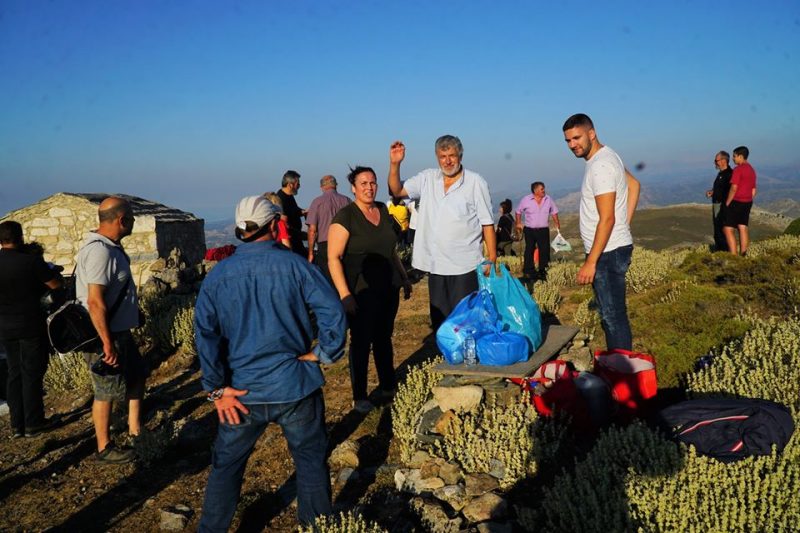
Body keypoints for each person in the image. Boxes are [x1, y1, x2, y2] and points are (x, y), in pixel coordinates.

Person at [195, 195, 347, 531]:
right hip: (295, 384)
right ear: (274, 224)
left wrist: (216, 389)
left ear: (240, 231)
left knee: (226, 467)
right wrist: (324, 352)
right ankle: (317, 527)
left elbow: (205, 334)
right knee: (310, 462)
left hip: (241, 391)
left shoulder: (219, 276)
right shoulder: (295, 266)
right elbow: (332, 310)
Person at [388, 135, 496, 330]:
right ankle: (446, 349)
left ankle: (468, 349)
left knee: (466, 320)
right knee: (441, 321)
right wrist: (395, 164)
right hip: (436, 265)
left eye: (452, 156)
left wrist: (492, 258)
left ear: (460, 156)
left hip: (465, 266)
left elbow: (487, 222)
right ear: (437, 157)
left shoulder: (475, 182)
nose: (447, 161)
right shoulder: (427, 179)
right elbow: (397, 191)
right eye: (442, 156)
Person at [328, 167, 412, 414]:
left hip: (388, 287)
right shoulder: (346, 217)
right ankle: (360, 395)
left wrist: (404, 277)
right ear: (353, 188)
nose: (369, 187)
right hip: (361, 290)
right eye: (363, 183)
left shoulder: (383, 210)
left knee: (384, 337)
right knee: (361, 342)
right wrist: (345, 295)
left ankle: (388, 386)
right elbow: (334, 258)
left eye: (372, 182)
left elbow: (391, 250)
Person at [76, 197, 146, 463]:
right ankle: (104, 447)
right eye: (132, 218)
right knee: (106, 390)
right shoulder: (100, 252)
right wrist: (106, 343)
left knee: (136, 377)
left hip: (119, 332)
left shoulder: (110, 248)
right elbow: (95, 301)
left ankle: (136, 431)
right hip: (105, 336)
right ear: (122, 220)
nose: (134, 222)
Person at [562, 113, 640, 351]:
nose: (572, 145)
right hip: (612, 247)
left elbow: (607, 219)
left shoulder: (600, 166)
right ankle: (620, 363)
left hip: (606, 253)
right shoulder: (608, 155)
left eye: (577, 138)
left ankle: (620, 367)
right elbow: (634, 185)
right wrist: (624, 225)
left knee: (612, 318)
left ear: (592, 133)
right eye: (568, 140)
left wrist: (591, 262)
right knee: (614, 314)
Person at [0, 221, 62, 438]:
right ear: (20, 237)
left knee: (14, 373)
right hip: (30, 325)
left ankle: (17, 425)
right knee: (32, 373)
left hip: (5, 327)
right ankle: (34, 422)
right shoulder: (31, 261)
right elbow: (56, 285)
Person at [306, 174, 351, 279]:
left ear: (322, 187)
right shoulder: (347, 201)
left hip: (325, 245)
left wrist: (311, 252)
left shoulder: (317, 202)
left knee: (327, 278)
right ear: (336, 185)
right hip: (345, 243)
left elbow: (312, 230)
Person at [516, 182, 561, 281]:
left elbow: (554, 211)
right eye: (542, 189)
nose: (544, 190)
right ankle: (528, 271)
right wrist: (518, 223)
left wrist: (557, 222)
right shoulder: (526, 200)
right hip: (529, 230)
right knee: (529, 249)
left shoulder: (548, 199)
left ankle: (543, 270)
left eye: (543, 188)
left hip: (543, 230)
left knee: (544, 250)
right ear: (535, 190)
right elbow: (518, 211)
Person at [723, 146, 757, 256]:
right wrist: (748, 200)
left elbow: (734, 188)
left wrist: (727, 203)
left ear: (741, 156)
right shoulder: (751, 170)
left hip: (736, 202)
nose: (733, 159)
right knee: (742, 227)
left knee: (728, 229)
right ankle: (744, 254)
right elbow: (753, 190)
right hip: (747, 202)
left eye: (734, 156)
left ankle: (733, 256)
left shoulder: (738, 169)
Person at [276, 170, 308, 257]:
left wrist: (304, 212)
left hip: (295, 238)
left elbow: (294, 211)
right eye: (298, 184)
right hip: (290, 240)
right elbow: (285, 224)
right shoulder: (281, 199)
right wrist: (303, 235)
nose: (299, 187)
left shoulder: (289, 196)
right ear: (290, 185)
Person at [706, 151, 733, 252]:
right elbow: (721, 189)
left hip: (722, 205)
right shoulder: (721, 174)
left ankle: (723, 251)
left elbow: (730, 191)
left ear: (723, 161)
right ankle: (720, 250)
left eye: (716, 160)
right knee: (717, 228)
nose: (715, 163)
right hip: (718, 203)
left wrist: (725, 206)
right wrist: (713, 192)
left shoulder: (729, 174)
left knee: (721, 229)